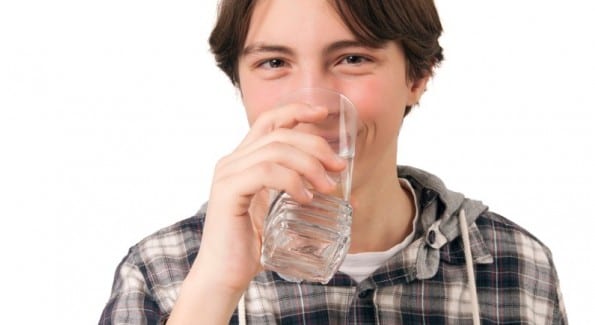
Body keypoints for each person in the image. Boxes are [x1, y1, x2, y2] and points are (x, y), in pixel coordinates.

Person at [99, 0, 567, 323]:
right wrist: (215, 287)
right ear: (239, 82)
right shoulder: (162, 271)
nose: (315, 106)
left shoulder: (515, 264)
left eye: (352, 58)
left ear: (418, 76)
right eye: (274, 63)